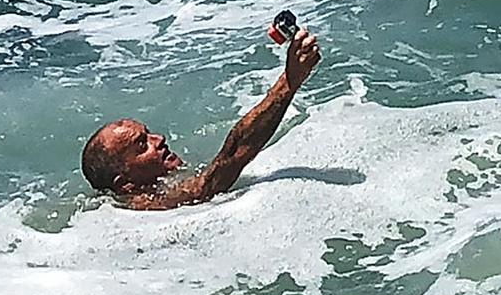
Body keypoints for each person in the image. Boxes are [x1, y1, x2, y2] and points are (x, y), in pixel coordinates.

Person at [82, 22, 323, 210]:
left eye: (148, 133)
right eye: (143, 145)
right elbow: (219, 172)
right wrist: (288, 82)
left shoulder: (158, 188)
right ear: (125, 184)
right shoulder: (143, 205)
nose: (159, 139)